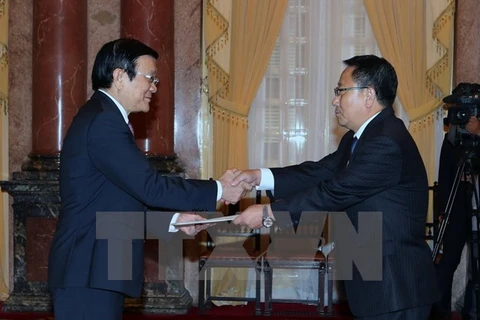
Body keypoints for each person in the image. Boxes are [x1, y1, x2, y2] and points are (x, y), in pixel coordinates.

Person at [47, 38, 249, 320]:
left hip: (95, 266)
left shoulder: (104, 117)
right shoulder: (103, 122)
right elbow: (151, 187)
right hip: (87, 268)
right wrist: (219, 189)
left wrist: (173, 219)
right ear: (119, 76)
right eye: (150, 78)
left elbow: (114, 201)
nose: (154, 87)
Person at [231, 55, 439, 319]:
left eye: (341, 91)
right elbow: (318, 172)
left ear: (368, 95)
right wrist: (258, 176)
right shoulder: (361, 137)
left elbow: (335, 191)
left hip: (393, 286)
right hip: (374, 282)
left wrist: (268, 213)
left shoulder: (385, 142)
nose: (334, 100)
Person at [431, 83, 480, 320]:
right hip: (456, 205)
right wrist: (442, 210)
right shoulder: (452, 137)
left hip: (476, 202)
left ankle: (471, 310)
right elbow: (445, 174)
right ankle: (438, 312)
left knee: (477, 265)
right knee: (448, 260)